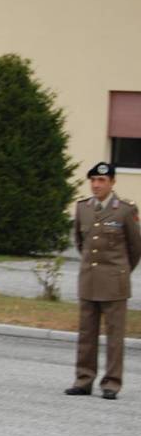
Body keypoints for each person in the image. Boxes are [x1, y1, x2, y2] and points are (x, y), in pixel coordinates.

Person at [66, 161, 141, 400]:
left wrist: (120, 271)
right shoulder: (83, 208)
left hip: (114, 282)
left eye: (102, 181)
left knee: (114, 336)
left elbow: (135, 247)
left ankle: (111, 383)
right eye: (93, 180)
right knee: (86, 335)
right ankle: (83, 379)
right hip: (89, 280)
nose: (96, 185)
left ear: (112, 182)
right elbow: (80, 242)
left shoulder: (125, 210)